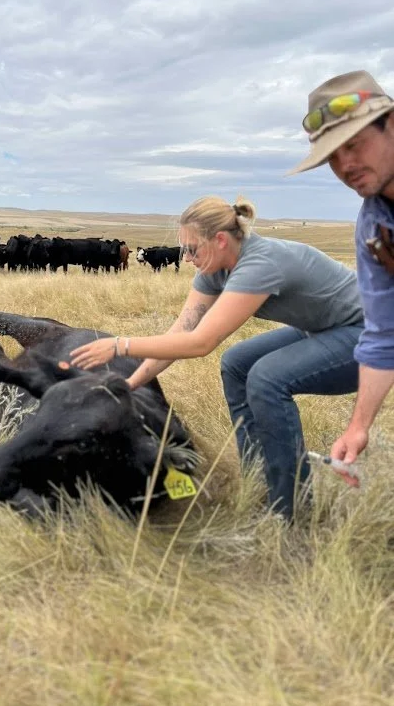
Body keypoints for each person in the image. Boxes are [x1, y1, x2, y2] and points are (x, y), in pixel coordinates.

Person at [69, 196, 364, 520]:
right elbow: (179, 336)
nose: (186, 258)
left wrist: (119, 345)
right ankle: (258, 478)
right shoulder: (213, 269)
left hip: (371, 334)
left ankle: (289, 509)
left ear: (220, 240)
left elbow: (201, 343)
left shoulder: (259, 264)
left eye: (192, 249)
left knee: (267, 378)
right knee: (237, 363)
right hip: (322, 329)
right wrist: (129, 385)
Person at [288, 70, 394, 487]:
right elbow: (384, 334)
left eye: (354, 144)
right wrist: (358, 427)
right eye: (332, 155)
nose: (345, 165)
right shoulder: (375, 228)